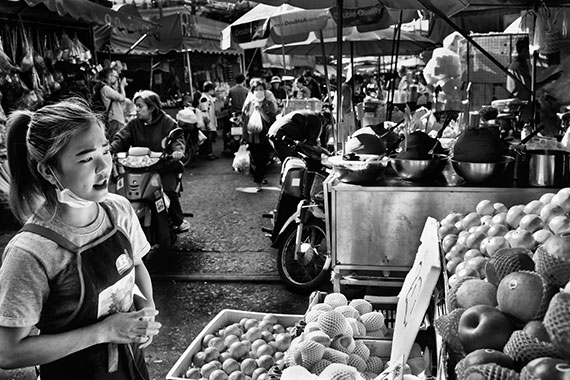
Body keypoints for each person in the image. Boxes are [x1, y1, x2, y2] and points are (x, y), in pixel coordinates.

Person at [0, 98, 161, 380]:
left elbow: (136, 265)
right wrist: (104, 331)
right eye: (86, 158)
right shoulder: (31, 253)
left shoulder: (119, 210)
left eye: (106, 151)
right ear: (48, 171)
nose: (104, 167)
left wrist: (146, 306)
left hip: (131, 367)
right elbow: (8, 353)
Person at [111, 90, 190, 233]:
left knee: (168, 190)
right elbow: (121, 138)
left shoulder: (167, 122)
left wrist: (177, 151)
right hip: (139, 168)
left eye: (140, 106)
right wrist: (110, 150)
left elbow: (177, 139)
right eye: (136, 106)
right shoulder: (134, 124)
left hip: (164, 167)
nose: (137, 110)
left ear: (152, 107)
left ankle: (178, 220)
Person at [242, 78, 278, 192]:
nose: (258, 91)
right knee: (256, 160)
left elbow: (270, 120)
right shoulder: (249, 104)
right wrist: (244, 137)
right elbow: (245, 120)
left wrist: (261, 111)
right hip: (252, 137)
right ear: (252, 91)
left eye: (261, 89)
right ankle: (259, 178)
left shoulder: (269, 104)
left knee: (263, 160)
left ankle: (258, 182)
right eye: (256, 89)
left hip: (264, 137)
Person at [99, 68, 127, 140]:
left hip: (116, 120)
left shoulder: (108, 88)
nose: (117, 79)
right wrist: (122, 86)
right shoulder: (105, 88)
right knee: (117, 143)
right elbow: (122, 98)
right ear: (110, 76)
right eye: (116, 77)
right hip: (114, 120)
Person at [198, 81, 219, 160]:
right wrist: (208, 123)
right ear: (209, 89)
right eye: (212, 89)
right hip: (208, 122)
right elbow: (204, 111)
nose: (213, 91)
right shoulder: (204, 98)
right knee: (208, 139)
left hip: (210, 121)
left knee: (209, 139)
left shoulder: (208, 97)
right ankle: (209, 154)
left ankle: (208, 153)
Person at [506, 36, 532, 101]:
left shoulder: (514, 64)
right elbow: (530, 87)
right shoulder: (519, 65)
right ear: (525, 50)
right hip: (520, 103)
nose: (531, 53)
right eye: (530, 50)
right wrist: (549, 80)